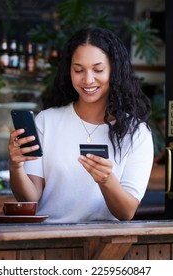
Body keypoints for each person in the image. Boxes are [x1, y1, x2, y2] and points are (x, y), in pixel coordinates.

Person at [8, 27, 154, 223]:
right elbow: (29, 197)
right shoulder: (47, 121)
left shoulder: (136, 133)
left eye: (98, 69)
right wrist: (16, 166)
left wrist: (106, 180)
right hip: (48, 240)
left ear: (114, 70)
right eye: (78, 70)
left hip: (105, 245)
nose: (87, 79)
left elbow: (126, 212)